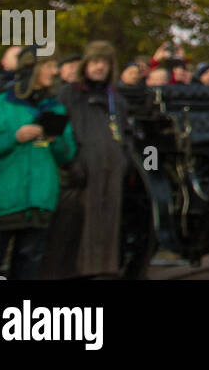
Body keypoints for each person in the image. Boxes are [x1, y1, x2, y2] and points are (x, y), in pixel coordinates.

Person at [0, 46, 77, 279]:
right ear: (30, 69)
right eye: (49, 65)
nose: (55, 72)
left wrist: (53, 141)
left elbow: (67, 154)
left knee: (28, 272)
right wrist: (13, 137)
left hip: (39, 205)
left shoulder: (55, 108)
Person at [42, 41, 135, 279]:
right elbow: (51, 134)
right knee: (74, 231)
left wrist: (124, 158)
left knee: (106, 224)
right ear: (86, 63)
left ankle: (101, 270)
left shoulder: (116, 99)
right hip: (78, 174)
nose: (99, 67)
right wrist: (71, 165)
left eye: (104, 62)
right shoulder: (66, 94)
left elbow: (126, 133)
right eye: (95, 61)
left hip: (110, 171)